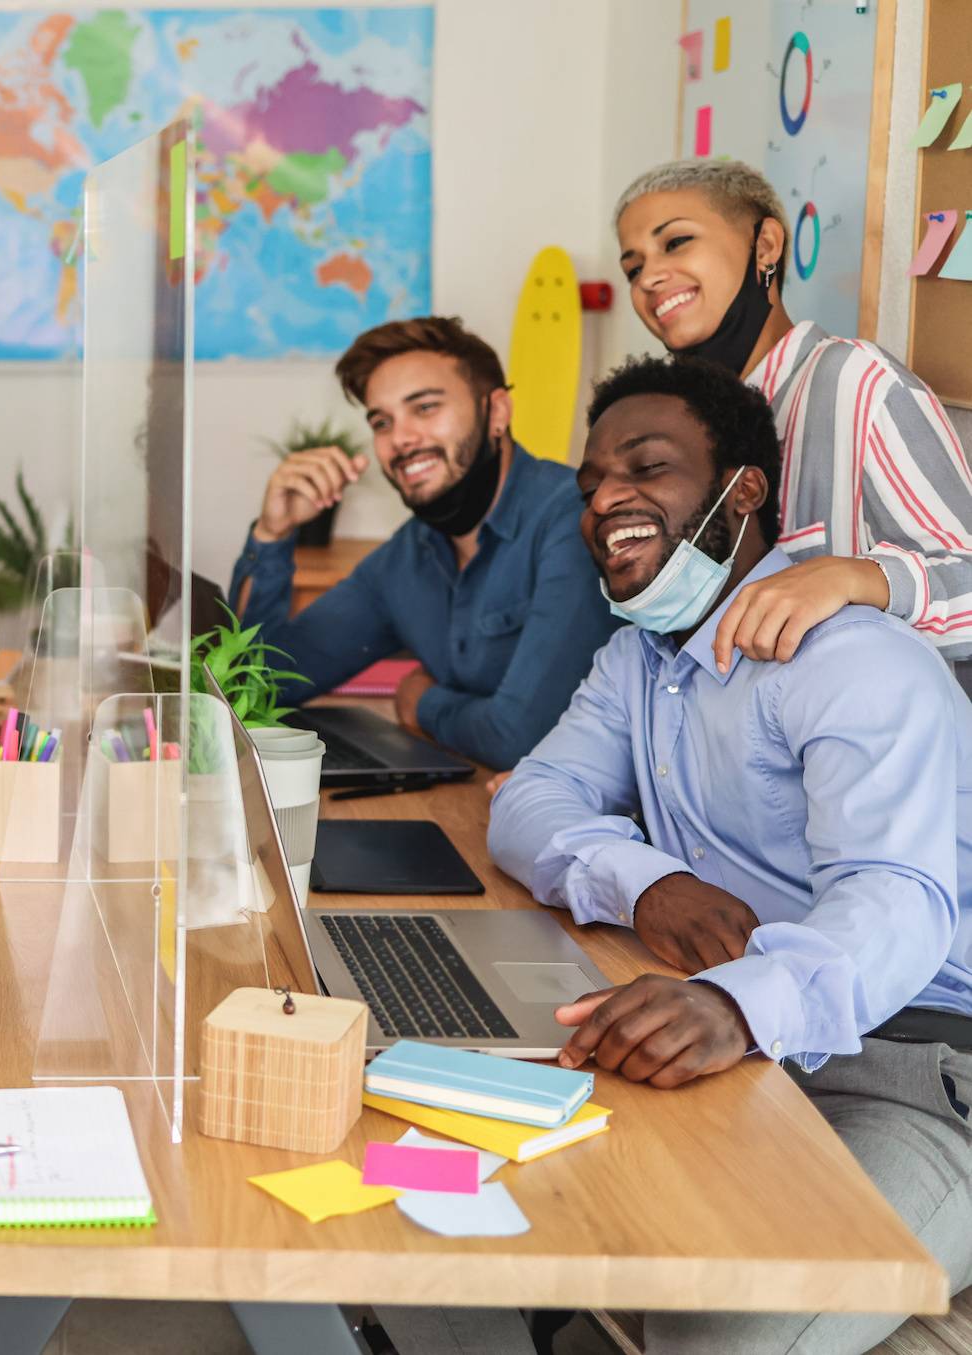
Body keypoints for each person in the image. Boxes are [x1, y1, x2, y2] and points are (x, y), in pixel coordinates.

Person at [490, 355, 972, 1354]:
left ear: (738, 490)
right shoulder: (636, 657)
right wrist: (649, 883)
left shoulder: (852, 660)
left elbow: (894, 898)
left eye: (646, 467)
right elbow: (529, 801)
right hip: (745, 1047)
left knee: (721, 1334)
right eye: (590, 484)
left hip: (916, 1061)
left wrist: (736, 1001)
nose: (605, 498)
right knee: (507, 1200)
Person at [615, 157, 972, 692]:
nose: (650, 277)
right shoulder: (685, 430)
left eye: (676, 242)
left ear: (765, 246)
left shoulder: (856, 381)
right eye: (633, 267)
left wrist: (854, 577)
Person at [227, 317, 620, 770]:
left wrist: (422, 701)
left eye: (426, 407)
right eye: (382, 421)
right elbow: (254, 689)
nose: (402, 439)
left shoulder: (572, 520)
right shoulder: (404, 558)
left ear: (497, 412)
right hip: (472, 802)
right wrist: (272, 535)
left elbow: (519, 736)